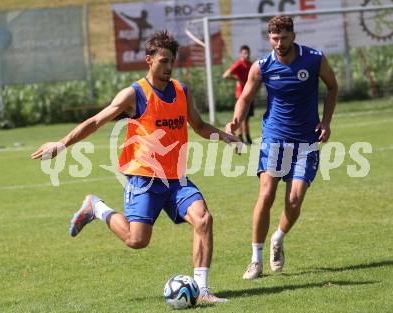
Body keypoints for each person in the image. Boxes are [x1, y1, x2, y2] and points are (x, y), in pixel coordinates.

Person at [31, 30, 240, 302]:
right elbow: (96, 121)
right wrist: (61, 144)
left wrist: (224, 136)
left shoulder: (180, 91)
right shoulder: (135, 93)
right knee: (137, 240)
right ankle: (96, 207)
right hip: (144, 179)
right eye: (163, 61)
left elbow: (198, 126)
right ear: (149, 60)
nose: (168, 67)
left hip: (176, 178)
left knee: (204, 219)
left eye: (171, 61)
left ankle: (201, 290)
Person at [226, 16, 338, 279]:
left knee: (294, 199)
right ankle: (255, 260)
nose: (279, 43)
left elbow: (332, 87)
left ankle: (278, 238)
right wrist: (235, 121)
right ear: (269, 38)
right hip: (275, 138)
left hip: (307, 140)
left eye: (284, 38)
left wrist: (326, 122)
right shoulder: (262, 66)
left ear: (293, 36)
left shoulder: (314, 59)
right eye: (275, 38)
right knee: (266, 195)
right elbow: (244, 98)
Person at [222, 45, 254, 145]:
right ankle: (240, 138)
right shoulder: (239, 64)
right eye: (244, 53)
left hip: (249, 94)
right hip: (240, 95)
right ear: (241, 54)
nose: (247, 55)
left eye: (248, 52)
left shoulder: (251, 65)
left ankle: (247, 138)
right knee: (240, 118)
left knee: (247, 118)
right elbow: (226, 75)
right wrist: (237, 79)